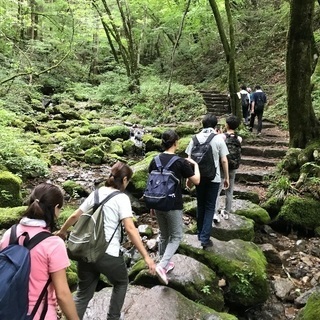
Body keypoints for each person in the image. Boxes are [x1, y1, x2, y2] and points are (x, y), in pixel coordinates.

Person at [56, 161, 156, 320]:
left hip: (85, 251)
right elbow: (130, 229)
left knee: (83, 293)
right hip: (107, 253)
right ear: (124, 180)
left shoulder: (97, 192)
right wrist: (146, 256)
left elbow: (76, 215)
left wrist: (62, 232)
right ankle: (113, 317)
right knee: (122, 283)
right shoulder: (122, 198)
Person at [0, 183, 79, 320]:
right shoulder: (53, 244)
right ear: (55, 209)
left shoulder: (9, 233)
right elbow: (62, 294)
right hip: (38, 315)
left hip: (7, 311)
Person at [147, 130, 200, 285]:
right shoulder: (180, 162)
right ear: (176, 142)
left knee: (163, 235)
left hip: (157, 202)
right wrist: (195, 165)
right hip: (173, 204)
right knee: (176, 236)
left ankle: (164, 262)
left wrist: (152, 203)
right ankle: (162, 266)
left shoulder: (154, 160)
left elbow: (151, 182)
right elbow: (196, 181)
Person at [185, 113, 229, 249]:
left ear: (202, 124)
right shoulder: (218, 139)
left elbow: (189, 160)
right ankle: (205, 238)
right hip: (213, 178)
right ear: (215, 126)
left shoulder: (194, 139)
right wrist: (226, 177)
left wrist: (189, 178)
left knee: (200, 204)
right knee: (210, 206)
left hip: (198, 177)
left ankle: (199, 233)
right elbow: (223, 160)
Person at [214, 115, 242, 222]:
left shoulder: (222, 137)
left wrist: (219, 134)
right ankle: (227, 212)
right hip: (233, 167)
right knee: (230, 190)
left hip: (222, 166)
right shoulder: (239, 138)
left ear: (227, 125)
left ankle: (215, 212)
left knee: (218, 189)